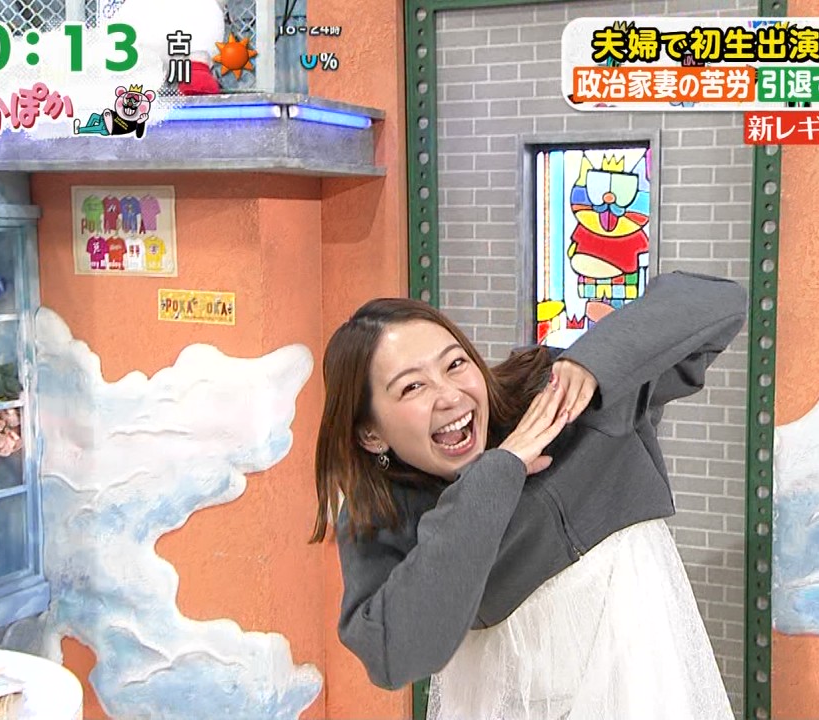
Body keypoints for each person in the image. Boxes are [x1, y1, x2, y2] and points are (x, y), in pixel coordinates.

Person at [312, 271, 746, 719]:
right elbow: (396, 655)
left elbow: (719, 301)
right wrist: (497, 472)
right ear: (371, 434)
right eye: (412, 387)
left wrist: (594, 361)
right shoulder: (381, 514)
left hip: (645, 697)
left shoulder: (559, 397)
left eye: (455, 364)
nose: (450, 396)